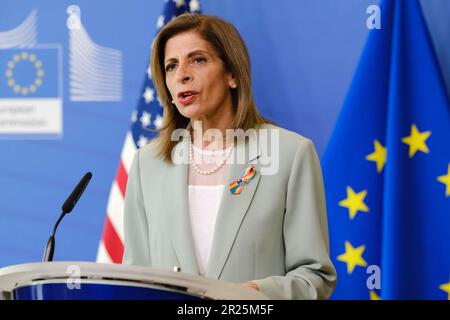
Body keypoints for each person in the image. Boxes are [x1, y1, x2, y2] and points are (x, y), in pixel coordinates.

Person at [122, 13, 337, 300]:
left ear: (232, 74)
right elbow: (135, 283)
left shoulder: (290, 154)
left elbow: (315, 278)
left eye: (197, 59)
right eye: (171, 66)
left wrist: (255, 293)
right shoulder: (147, 164)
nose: (181, 74)